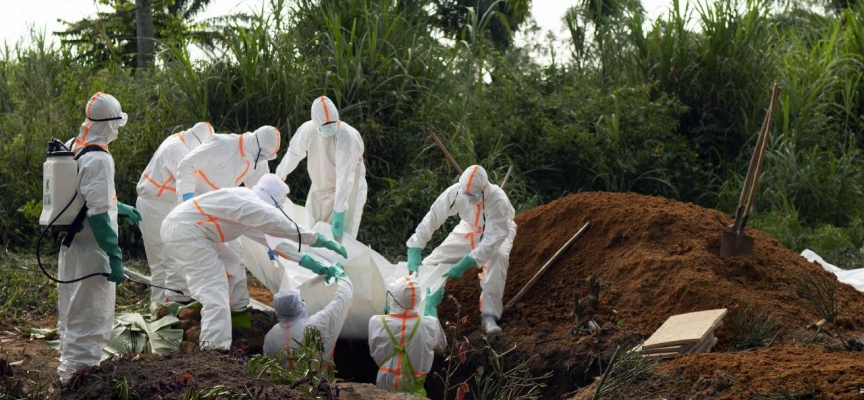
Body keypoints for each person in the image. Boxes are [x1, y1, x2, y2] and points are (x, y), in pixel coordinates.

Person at [161, 174, 347, 350]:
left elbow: (276, 243)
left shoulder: (246, 209)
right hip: (186, 233)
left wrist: (315, 264)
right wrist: (318, 239)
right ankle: (215, 350)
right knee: (214, 290)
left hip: (193, 232)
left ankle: (235, 316)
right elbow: (282, 225)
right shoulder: (248, 203)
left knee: (232, 262)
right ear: (272, 201)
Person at [57, 92, 140, 383]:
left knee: (72, 308)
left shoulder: (73, 146)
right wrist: (114, 256)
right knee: (91, 314)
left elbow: (83, 198)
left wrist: (119, 207)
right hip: (93, 250)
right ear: (111, 125)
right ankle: (82, 378)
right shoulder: (101, 159)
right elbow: (98, 216)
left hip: (71, 244)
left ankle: (69, 371)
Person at [406, 165, 516, 334]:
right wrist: (415, 246)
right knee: (435, 259)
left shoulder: (498, 201)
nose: (468, 199)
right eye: (466, 195)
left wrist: (465, 263)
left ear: (484, 190)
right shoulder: (457, 192)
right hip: (469, 228)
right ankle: (411, 296)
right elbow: (434, 216)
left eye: (472, 196)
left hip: (499, 232)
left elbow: (491, 242)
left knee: (498, 258)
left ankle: (489, 315)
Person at [136, 122, 213, 304]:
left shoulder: (177, 139)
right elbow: (191, 184)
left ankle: (159, 306)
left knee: (159, 264)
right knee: (172, 259)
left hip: (153, 204)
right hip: (157, 207)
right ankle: (176, 307)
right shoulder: (178, 151)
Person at [275, 96, 367, 242]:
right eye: (323, 125)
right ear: (315, 122)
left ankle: (339, 263)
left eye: (331, 123)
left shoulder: (347, 136)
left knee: (342, 238)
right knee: (312, 231)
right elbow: (294, 153)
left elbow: (345, 176)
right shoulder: (308, 130)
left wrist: (339, 212)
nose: (328, 127)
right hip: (319, 187)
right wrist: (278, 176)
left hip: (346, 192)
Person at [368, 277, 446, 397]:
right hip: (416, 396)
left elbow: (375, 349)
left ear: (392, 299)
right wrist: (431, 311)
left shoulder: (376, 322)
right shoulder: (430, 325)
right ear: (419, 300)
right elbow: (441, 349)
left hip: (383, 395)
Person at [263, 269, 353, 362]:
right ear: (300, 306)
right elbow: (342, 300)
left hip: (283, 377)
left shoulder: (271, 337)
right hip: (319, 376)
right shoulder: (316, 326)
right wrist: (342, 276)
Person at [176, 125, 281, 200]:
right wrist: (188, 198)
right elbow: (186, 165)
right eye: (261, 154)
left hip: (219, 204)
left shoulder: (260, 161)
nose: (261, 158)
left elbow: (259, 192)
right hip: (195, 197)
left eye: (265, 157)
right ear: (255, 142)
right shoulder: (224, 145)